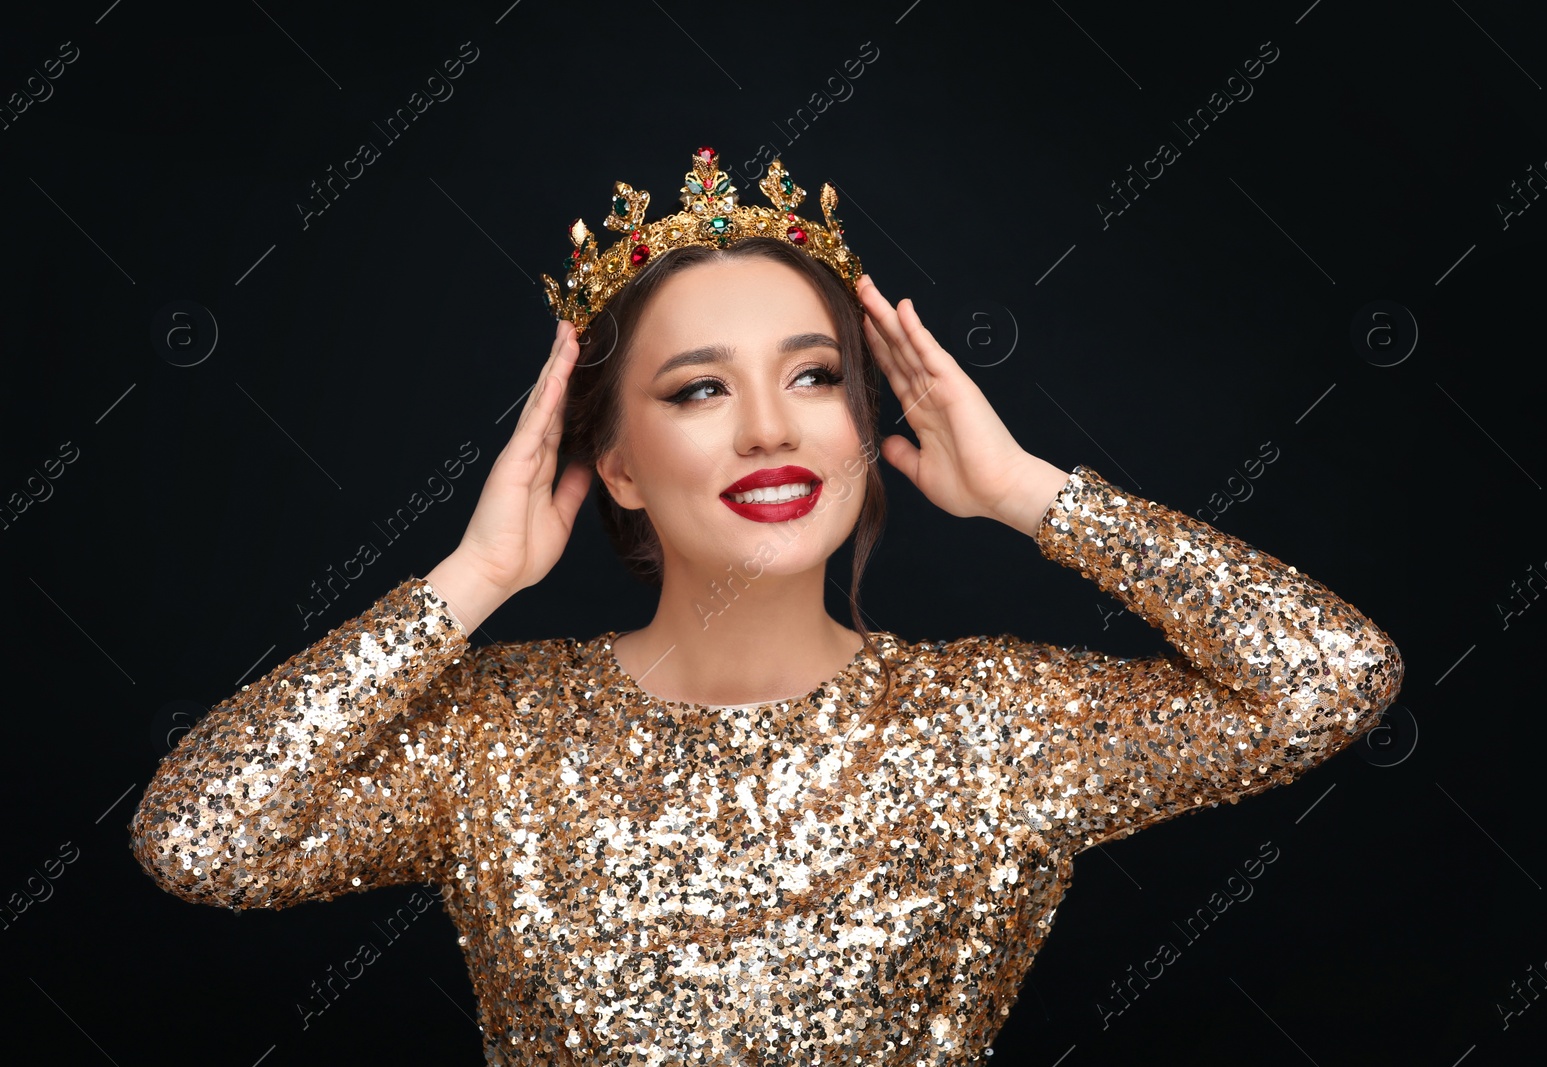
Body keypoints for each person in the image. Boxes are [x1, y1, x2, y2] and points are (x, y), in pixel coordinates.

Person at [129, 147, 1404, 1065]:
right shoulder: (496, 735)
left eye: (811, 376)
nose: (768, 430)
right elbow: (201, 839)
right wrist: (471, 583)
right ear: (614, 462)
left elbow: (1331, 677)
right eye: (696, 390)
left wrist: (1029, 493)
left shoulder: (988, 726)